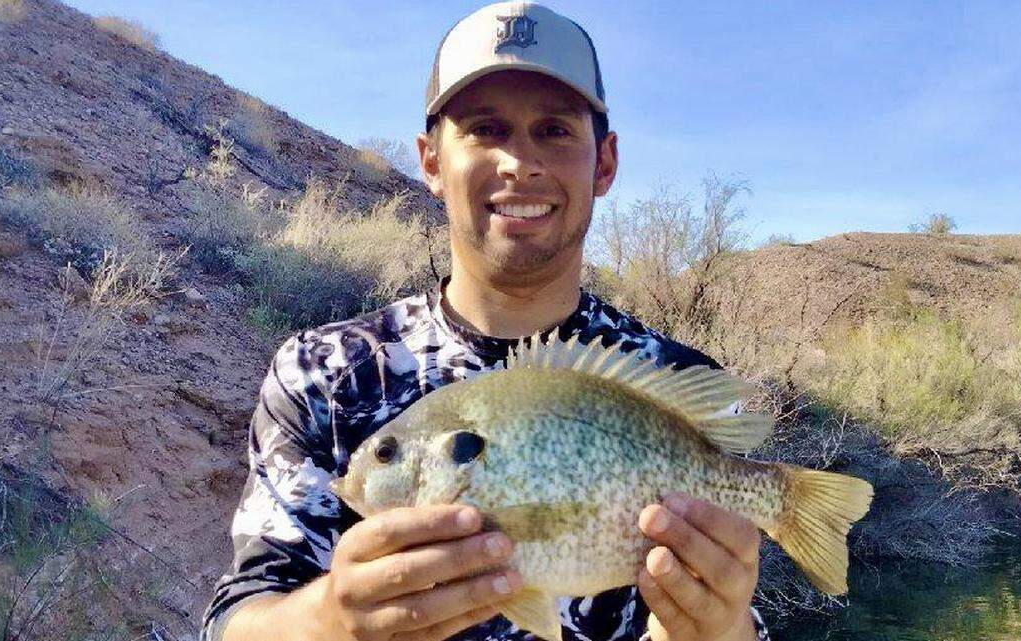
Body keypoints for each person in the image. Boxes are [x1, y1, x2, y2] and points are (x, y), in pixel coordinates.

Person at [201, 3, 771, 640]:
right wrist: (331, 619)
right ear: (432, 162)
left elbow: (736, 615)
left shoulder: (672, 380)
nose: (518, 163)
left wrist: (719, 633)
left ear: (604, 164)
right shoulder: (321, 377)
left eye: (553, 130)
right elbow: (239, 618)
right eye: (485, 129)